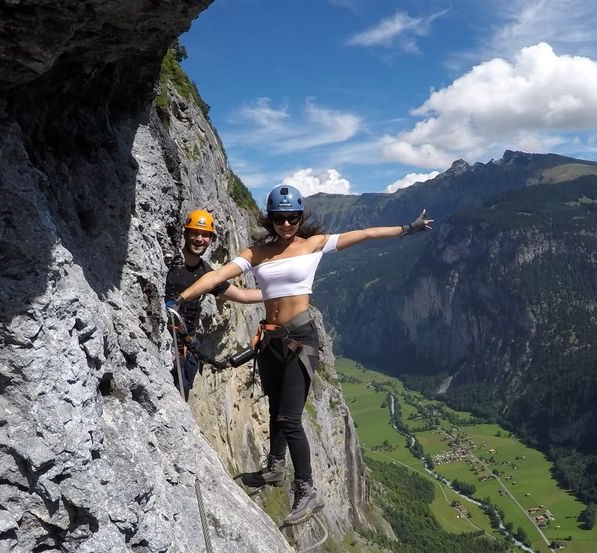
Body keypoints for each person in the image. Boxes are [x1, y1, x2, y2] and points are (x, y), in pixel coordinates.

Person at [170, 185, 433, 525]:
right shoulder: (256, 253)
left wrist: (406, 229)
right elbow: (217, 275)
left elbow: (364, 234)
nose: (287, 225)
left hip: (300, 339)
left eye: (293, 218)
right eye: (280, 219)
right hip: (270, 340)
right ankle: (275, 467)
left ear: (300, 217)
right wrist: (181, 299)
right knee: (276, 408)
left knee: (290, 419)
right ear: (271, 219)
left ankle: (306, 489)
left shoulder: (313, 245)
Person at [165, 209, 261, 400]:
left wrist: (279, 292)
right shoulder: (168, 261)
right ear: (185, 234)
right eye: (194, 233)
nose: (199, 239)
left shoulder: (206, 274)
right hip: (163, 339)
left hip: (184, 347)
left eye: (205, 235)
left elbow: (241, 294)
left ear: (210, 239)